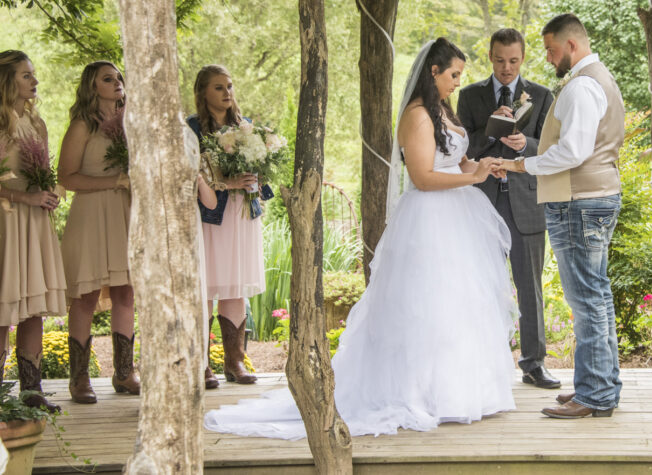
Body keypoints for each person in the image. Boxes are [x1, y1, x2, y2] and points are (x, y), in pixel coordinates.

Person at [204, 38, 517, 438]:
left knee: (458, 301)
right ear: (434, 72)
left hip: (458, 216)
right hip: (430, 219)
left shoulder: (442, 111)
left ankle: (459, 389)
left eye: (460, 75)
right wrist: (471, 177)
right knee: (429, 302)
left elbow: (455, 160)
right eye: (454, 74)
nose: (458, 82)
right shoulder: (417, 115)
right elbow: (421, 177)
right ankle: (423, 391)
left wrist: (481, 166)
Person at [502, 13, 626, 420]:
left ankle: (593, 395)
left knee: (586, 299)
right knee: (598, 297)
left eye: (552, 50)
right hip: (593, 197)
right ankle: (602, 386)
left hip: (579, 202)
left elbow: (572, 152)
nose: (549, 58)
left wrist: (524, 165)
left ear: (571, 46)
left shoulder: (582, 86)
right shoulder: (597, 79)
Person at [457, 28, 558, 390]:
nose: (506, 68)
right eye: (500, 60)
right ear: (490, 56)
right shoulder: (469, 96)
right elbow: (461, 148)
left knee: (529, 287)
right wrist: (491, 132)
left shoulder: (544, 96)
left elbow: (550, 147)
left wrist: (525, 143)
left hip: (526, 202)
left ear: (523, 57)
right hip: (482, 200)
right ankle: (490, 364)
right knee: (485, 284)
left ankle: (534, 364)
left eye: (513, 61)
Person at [187, 65, 272, 389]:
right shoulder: (192, 129)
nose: (227, 93)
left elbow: (259, 165)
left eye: (230, 86)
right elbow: (190, 174)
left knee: (235, 284)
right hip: (210, 216)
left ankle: (235, 360)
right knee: (206, 285)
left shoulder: (245, 127)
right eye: (219, 87)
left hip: (240, 214)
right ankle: (201, 363)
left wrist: (256, 178)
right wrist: (225, 181)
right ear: (203, 92)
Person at [57, 61, 136, 403]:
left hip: (124, 211)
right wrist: (114, 180)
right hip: (90, 213)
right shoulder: (82, 125)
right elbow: (66, 177)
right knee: (86, 295)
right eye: (108, 78)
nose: (117, 82)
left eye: (119, 77)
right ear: (93, 87)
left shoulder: (131, 122)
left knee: (126, 291)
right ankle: (79, 378)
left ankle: (125, 372)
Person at [0, 50, 66, 412]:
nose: (34, 81)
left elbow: (44, 171)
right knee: (4, 305)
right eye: (26, 75)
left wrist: (48, 192)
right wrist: (22, 196)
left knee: (33, 308)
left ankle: (31, 390)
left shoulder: (36, 122)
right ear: (7, 80)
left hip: (35, 221)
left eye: (34, 74)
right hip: (7, 221)